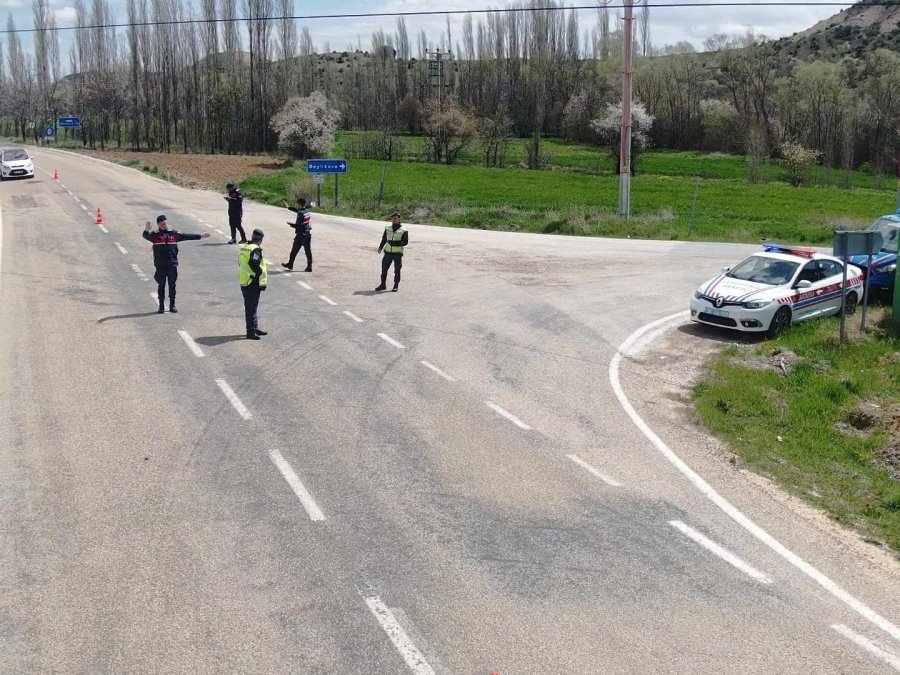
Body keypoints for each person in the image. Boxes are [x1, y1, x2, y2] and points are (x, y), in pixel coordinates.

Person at [143, 215, 209, 313]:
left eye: (165, 223)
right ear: (158, 225)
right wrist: (146, 230)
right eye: (162, 224)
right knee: (161, 285)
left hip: (172, 264)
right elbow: (145, 236)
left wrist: (201, 236)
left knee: (172, 286)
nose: (164, 225)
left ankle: (172, 305)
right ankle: (161, 306)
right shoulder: (155, 235)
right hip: (160, 266)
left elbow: (187, 236)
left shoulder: (173, 234)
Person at [239, 229, 268, 340]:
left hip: (245, 280)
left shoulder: (245, 247)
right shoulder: (255, 249)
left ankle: (254, 328)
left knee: (252, 306)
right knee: (251, 307)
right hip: (252, 281)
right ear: (260, 240)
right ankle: (250, 332)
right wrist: (260, 273)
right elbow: (254, 263)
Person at [375, 211, 408, 292]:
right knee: (384, 269)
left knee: (397, 270)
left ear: (399, 219)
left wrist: (397, 243)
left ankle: (395, 285)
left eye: (395, 218)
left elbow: (405, 241)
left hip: (397, 253)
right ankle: (383, 285)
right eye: (392, 219)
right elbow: (384, 239)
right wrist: (380, 247)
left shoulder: (404, 230)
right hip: (388, 252)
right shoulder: (388, 229)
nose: (393, 220)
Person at [281, 197, 312, 272]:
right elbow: (298, 211)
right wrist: (288, 207)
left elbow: (298, 225)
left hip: (301, 235)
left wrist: (291, 225)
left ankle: (290, 264)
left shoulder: (300, 214)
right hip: (308, 234)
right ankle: (309, 267)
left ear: (299, 204)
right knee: (308, 251)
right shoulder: (307, 211)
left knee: (294, 250)